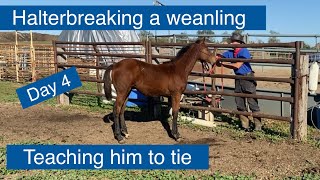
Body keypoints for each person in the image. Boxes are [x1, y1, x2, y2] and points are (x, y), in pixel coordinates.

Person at [216, 32, 263, 131]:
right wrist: (218, 58)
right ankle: (244, 125)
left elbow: (237, 65)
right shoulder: (230, 52)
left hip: (247, 78)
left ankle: (258, 126)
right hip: (238, 78)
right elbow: (221, 57)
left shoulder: (244, 51)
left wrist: (223, 64)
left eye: (235, 41)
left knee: (252, 102)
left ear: (240, 43)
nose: (233, 43)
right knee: (239, 102)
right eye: (232, 41)